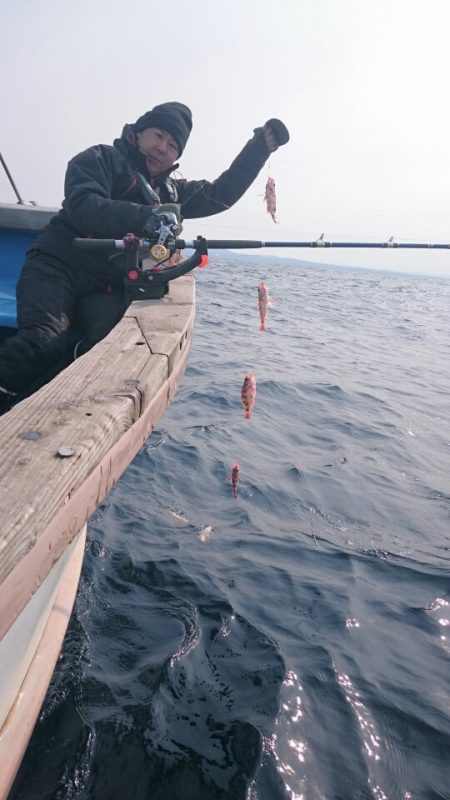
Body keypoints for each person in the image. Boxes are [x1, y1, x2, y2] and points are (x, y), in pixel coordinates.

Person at [0, 101, 289, 409]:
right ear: (137, 133)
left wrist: (260, 148)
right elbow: (83, 205)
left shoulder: (171, 193)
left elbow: (220, 195)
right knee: (43, 340)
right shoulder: (99, 159)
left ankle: (41, 405)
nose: (162, 148)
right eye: (158, 135)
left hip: (105, 286)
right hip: (57, 268)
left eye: (172, 145)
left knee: (111, 350)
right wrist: (146, 217)